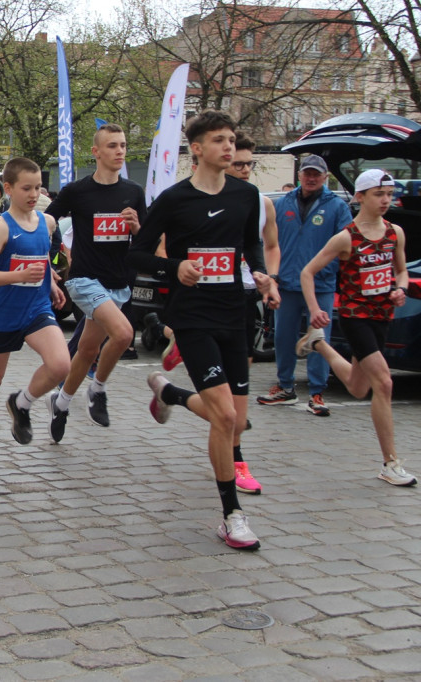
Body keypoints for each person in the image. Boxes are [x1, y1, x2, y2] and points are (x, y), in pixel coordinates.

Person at [128, 110, 280, 551]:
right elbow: (136, 256)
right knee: (226, 416)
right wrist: (176, 265)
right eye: (218, 140)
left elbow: (249, 243)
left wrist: (261, 273)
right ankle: (232, 515)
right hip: (192, 316)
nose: (228, 147)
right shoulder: (175, 200)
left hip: (234, 313)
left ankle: (170, 393)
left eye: (231, 139)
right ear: (196, 149)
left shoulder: (247, 196)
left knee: (235, 420)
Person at [298, 169, 415, 487]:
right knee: (384, 383)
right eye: (379, 194)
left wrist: (399, 289)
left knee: (358, 387)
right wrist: (315, 309)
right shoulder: (346, 237)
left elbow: (401, 271)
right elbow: (307, 272)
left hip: (382, 317)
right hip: (355, 317)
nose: (386, 201)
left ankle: (319, 344)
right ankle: (390, 463)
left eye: (389, 195)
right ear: (360, 196)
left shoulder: (395, 233)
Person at [0, 157, 70, 481]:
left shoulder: (47, 223)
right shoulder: (1, 226)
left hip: (36, 309)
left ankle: (22, 403)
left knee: (60, 365)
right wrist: (18, 274)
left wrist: (50, 281)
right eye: (27, 188)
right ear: (8, 189)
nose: (34, 193)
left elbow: (42, 258)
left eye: (38, 187)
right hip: (3, 313)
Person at [44, 123, 145, 440]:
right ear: (96, 152)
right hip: (85, 280)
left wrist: (136, 226)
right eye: (113, 145)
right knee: (124, 334)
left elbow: (146, 242)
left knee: (87, 350)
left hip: (118, 283)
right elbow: (50, 218)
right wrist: (34, 232)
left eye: (123, 145)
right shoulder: (78, 191)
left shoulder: (133, 192)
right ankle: (97, 390)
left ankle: (60, 402)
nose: (119, 151)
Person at [258, 154, 352, 416]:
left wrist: (332, 270)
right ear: (299, 175)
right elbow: (269, 243)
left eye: (317, 174)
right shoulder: (282, 203)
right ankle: (285, 387)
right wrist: (271, 277)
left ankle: (317, 392)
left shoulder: (336, 206)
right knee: (283, 337)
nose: (311, 178)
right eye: (307, 173)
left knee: (319, 339)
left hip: (320, 285)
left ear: (325, 177)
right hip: (287, 283)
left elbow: (346, 245)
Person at [220, 132, 280, 494]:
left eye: (248, 164)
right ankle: (236, 459)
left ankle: (171, 393)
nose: (243, 170)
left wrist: (268, 280)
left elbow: (271, 246)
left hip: (245, 296)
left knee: (237, 378)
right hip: (211, 299)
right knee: (225, 391)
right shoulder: (203, 199)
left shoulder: (263, 203)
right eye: (237, 163)